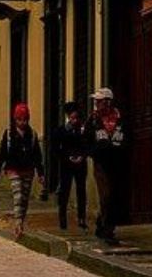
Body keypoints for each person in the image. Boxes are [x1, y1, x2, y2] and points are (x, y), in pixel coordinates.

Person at [0, 102, 44, 240]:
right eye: (20, 119)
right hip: (13, 169)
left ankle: (20, 221)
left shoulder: (32, 135)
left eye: (25, 119)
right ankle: (18, 223)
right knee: (18, 195)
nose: (23, 122)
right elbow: (3, 153)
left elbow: (37, 155)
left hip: (28, 169)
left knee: (25, 199)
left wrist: (41, 173)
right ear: (15, 119)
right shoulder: (9, 134)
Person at [85, 87, 127, 245]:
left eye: (99, 101)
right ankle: (108, 229)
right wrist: (92, 153)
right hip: (101, 163)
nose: (96, 104)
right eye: (96, 101)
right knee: (106, 195)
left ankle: (102, 224)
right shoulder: (93, 120)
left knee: (115, 196)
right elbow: (86, 139)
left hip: (117, 163)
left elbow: (128, 137)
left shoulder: (120, 118)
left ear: (108, 102)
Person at [48, 99, 90, 231]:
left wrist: (82, 157)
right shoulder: (61, 131)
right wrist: (67, 158)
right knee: (64, 192)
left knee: (81, 191)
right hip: (66, 165)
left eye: (76, 117)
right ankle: (62, 219)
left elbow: (87, 145)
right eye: (72, 117)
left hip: (80, 164)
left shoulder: (82, 130)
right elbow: (55, 148)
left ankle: (82, 218)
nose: (74, 120)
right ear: (68, 117)